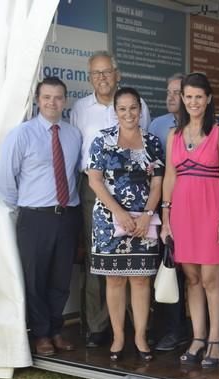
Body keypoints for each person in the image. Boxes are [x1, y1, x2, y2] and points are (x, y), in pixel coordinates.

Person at [70, 50, 151, 348]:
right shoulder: (80, 109)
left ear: (118, 74)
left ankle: (136, 325)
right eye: (96, 73)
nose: (102, 78)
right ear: (90, 77)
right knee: (98, 260)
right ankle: (97, 325)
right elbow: (77, 153)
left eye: (107, 72)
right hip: (95, 189)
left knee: (134, 261)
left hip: (136, 192)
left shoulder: (138, 105)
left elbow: (147, 151)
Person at [0, 77, 82, 356]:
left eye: (58, 97)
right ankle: (41, 334)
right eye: (47, 97)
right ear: (37, 99)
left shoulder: (72, 134)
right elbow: (6, 181)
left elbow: (74, 176)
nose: (52, 103)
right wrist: (27, 206)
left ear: (64, 101)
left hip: (67, 215)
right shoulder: (22, 134)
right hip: (35, 218)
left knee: (61, 278)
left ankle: (56, 329)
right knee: (35, 279)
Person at [160, 73, 219, 368]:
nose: (193, 102)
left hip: (211, 212)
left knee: (210, 279)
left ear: (208, 99)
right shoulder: (174, 135)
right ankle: (198, 337)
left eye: (199, 97)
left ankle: (216, 340)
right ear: (182, 99)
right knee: (191, 278)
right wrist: (166, 218)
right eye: (188, 96)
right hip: (182, 213)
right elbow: (170, 176)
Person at [87, 87, 163, 362]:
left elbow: (157, 182)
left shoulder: (153, 142)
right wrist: (118, 212)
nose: (129, 113)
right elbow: (94, 180)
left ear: (140, 111)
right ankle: (118, 336)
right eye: (123, 109)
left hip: (144, 221)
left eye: (133, 108)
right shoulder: (102, 141)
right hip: (110, 221)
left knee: (141, 281)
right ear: (115, 111)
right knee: (115, 280)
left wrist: (146, 214)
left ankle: (140, 336)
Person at [148, 73, 190, 352]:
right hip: (158, 206)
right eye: (169, 91)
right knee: (162, 267)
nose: (171, 96)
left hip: (187, 205)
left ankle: (178, 331)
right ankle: (163, 327)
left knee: (182, 270)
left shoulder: (199, 126)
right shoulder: (157, 124)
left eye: (178, 92)